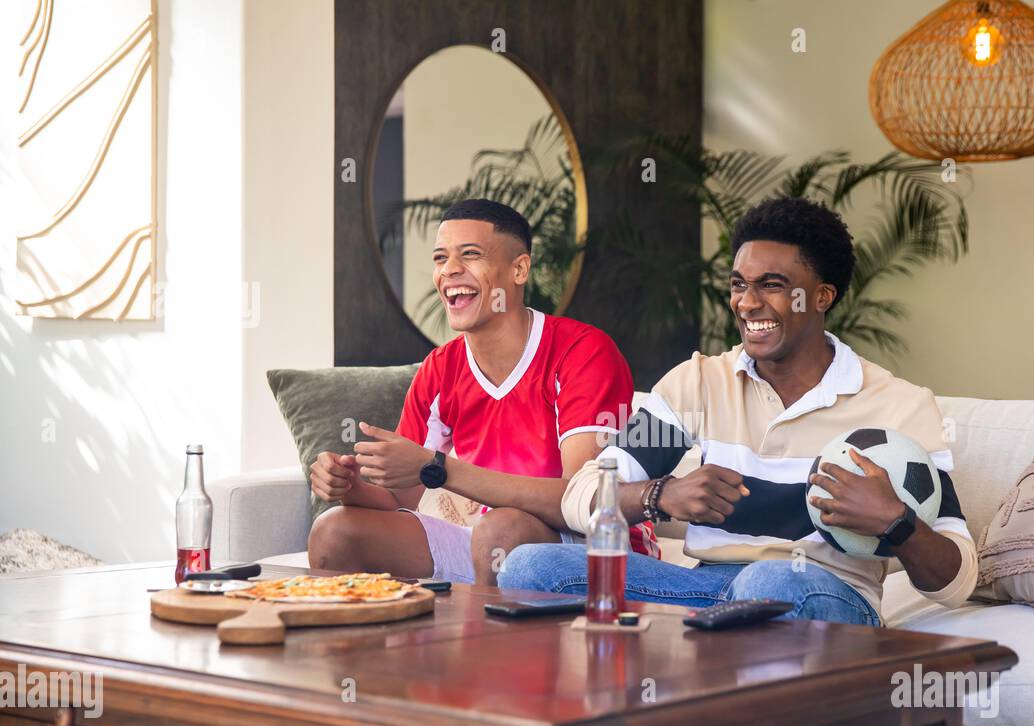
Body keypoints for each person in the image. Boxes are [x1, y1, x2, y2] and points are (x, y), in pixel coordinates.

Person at [498, 197, 977, 623]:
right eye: (738, 285)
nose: (747, 303)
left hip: (822, 595)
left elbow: (957, 582)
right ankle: (686, 659)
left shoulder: (897, 406)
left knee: (766, 583)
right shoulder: (701, 383)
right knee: (529, 565)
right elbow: (583, 492)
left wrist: (898, 523)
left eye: (771, 285)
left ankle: (706, 645)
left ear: (822, 296)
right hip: (702, 589)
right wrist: (661, 495)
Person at [307, 199, 656, 583]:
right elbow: (398, 500)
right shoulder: (440, 368)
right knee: (335, 531)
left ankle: (478, 641)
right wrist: (350, 486)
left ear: (519, 269)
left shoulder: (583, 352)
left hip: (590, 543)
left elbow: (584, 500)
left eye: (470, 255)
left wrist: (438, 468)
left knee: (501, 533)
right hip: (487, 542)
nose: (450, 270)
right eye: (441, 259)